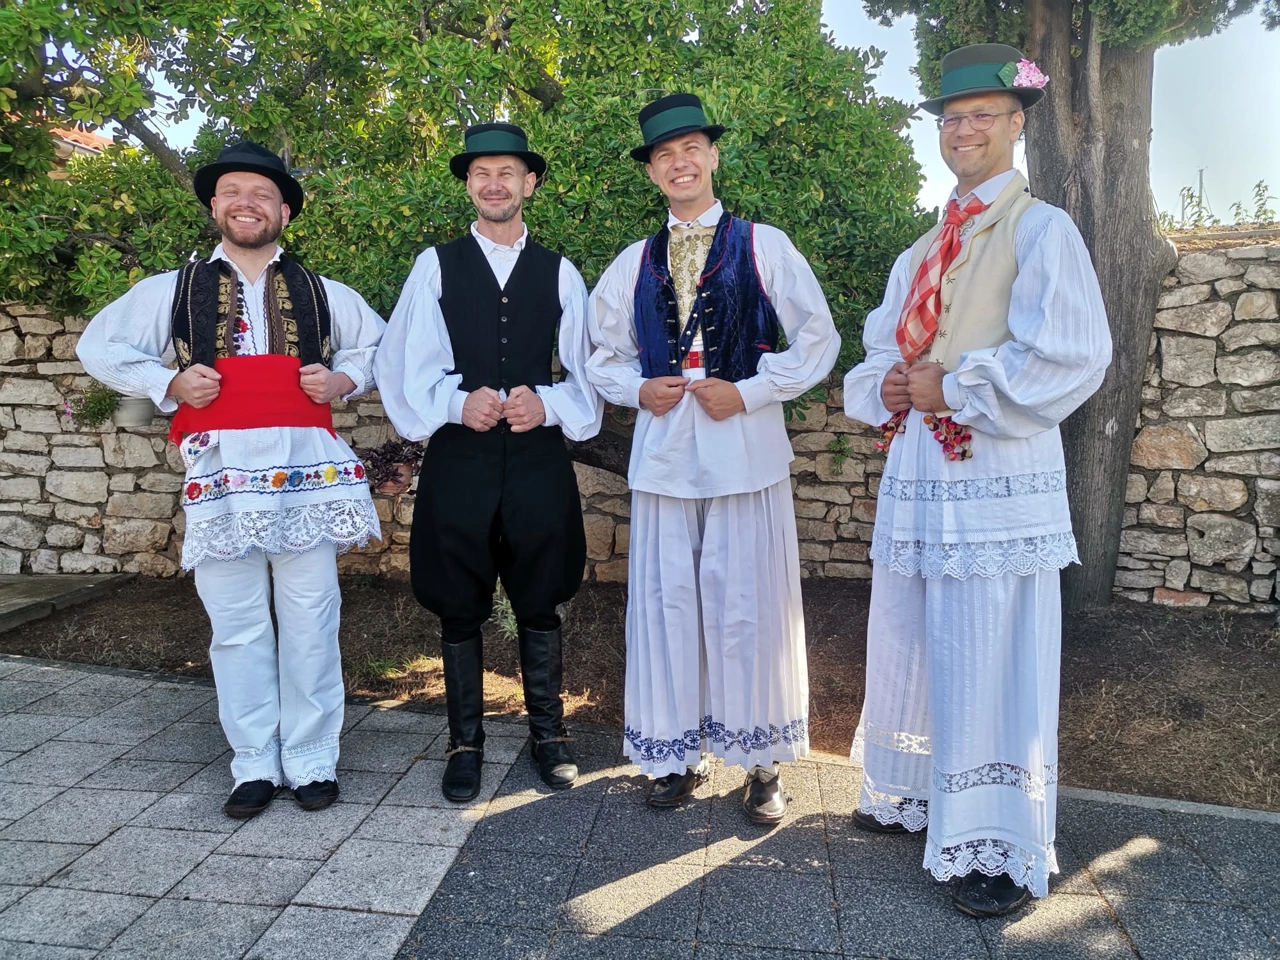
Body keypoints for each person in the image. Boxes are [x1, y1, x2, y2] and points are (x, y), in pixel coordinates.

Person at [842, 43, 1112, 915]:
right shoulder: (926, 243)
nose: (965, 130)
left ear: (1015, 125)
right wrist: (886, 380)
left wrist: (954, 385)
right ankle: (919, 792)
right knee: (920, 625)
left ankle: (998, 841)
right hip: (925, 465)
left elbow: (1071, 356)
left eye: (982, 116)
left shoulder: (1043, 230)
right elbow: (886, 339)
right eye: (953, 118)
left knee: (993, 645)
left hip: (997, 466)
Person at [78, 141, 386, 819]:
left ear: (284, 211)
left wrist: (343, 378)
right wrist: (167, 380)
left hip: (305, 471)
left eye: (263, 195)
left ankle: (310, 759)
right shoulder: (174, 289)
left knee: (310, 618)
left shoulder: (322, 291)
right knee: (237, 623)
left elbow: (382, 347)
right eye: (234, 193)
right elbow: (98, 345)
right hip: (220, 476)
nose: (248, 204)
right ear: (215, 206)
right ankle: (253, 761)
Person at [587, 93, 840, 824]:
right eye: (665, 154)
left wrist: (756, 391)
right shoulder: (632, 261)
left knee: (747, 605)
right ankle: (675, 751)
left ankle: (760, 762)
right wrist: (637, 387)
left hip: (742, 450)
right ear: (653, 173)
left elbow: (817, 340)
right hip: (666, 453)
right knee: (669, 606)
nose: (679, 162)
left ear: (713, 156)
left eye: (691, 147)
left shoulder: (766, 245)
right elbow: (596, 355)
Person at [376, 123, 602, 802]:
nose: (494, 184)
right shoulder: (435, 265)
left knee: (540, 601)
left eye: (507, 172)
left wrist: (552, 406)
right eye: (481, 174)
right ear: (469, 185)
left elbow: (590, 373)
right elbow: (401, 363)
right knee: (458, 605)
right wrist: (451, 402)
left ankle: (549, 736)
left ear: (529, 183)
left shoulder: (561, 271)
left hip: (535, 458)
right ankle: (464, 743)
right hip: (462, 457)